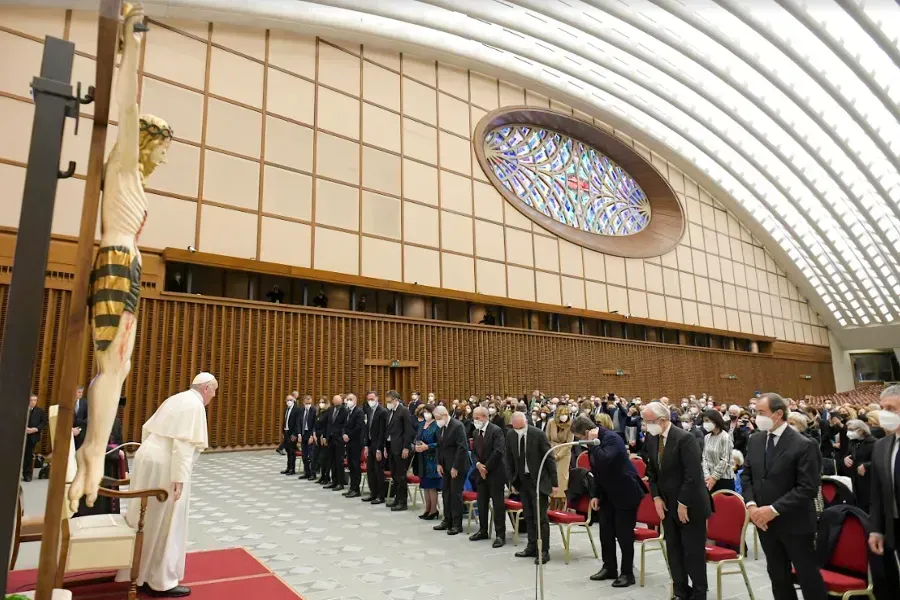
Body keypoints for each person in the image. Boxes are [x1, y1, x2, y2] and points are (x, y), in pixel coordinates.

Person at [118, 372, 217, 597]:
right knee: (168, 520)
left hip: (148, 458)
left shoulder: (176, 399)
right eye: (214, 391)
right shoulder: (195, 405)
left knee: (145, 517)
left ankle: (139, 573)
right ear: (206, 389)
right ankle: (161, 581)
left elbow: (147, 428)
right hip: (167, 465)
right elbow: (183, 444)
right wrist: (179, 478)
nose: (213, 396)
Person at [740, 393, 825, 600]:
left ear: (778, 414)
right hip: (764, 522)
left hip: (794, 522)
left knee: (807, 576)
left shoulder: (803, 444)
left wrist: (772, 509)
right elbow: (747, 475)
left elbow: (807, 488)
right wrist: (751, 506)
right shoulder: (756, 440)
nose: (756, 417)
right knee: (777, 575)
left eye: (761, 413)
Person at [642, 401, 710, 600]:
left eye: (649, 421)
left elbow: (693, 475)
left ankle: (699, 593)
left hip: (690, 505)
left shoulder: (684, 439)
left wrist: (683, 503)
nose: (646, 426)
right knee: (673, 550)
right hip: (666, 505)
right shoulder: (652, 438)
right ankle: (680, 590)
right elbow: (652, 472)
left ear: (662, 420)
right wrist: (655, 497)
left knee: (693, 552)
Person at [572, 415, 644, 588]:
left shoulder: (612, 438)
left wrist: (593, 443)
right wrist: (595, 495)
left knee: (624, 535)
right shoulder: (594, 444)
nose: (580, 442)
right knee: (606, 533)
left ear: (587, 432)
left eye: (580, 438)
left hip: (625, 492)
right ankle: (609, 567)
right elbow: (596, 471)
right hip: (607, 493)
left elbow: (604, 460)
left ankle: (627, 573)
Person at [505, 411, 558, 564]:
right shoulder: (510, 435)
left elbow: (549, 459)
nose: (518, 431)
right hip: (522, 481)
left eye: (520, 428)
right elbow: (509, 459)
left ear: (525, 423)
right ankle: (531, 546)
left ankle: (544, 550)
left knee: (540, 518)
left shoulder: (538, 434)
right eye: (515, 428)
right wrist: (512, 482)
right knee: (528, 516)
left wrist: (554, 483)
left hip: (539, 481)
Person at [867, 385, 900, 597]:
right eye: (883, 408)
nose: (885, 413)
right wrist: (876, 529)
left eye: (892, 408)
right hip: (894, 526)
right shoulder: (881, 446)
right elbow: (877, 493)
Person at [469, 406, 507, 547]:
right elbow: (473, 452)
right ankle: (483, 530)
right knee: (482, 502)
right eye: (474, 418)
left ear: (485, 417)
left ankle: (500, 535)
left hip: (495, 472)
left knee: (498, 505)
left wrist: (486, 468)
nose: (475, 420)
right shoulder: (475, 431)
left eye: (477, 418)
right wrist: (478, 465)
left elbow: (498, 451)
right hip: (480, 472)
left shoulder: (496, 431)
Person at [433, 406, 468, 535]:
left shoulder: (457, 426)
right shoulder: (441, 427)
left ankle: (457, 524)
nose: (437, 421)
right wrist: (438, 463)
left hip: (456, 466)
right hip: (444, 465)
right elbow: (439, 446)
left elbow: (462, 448)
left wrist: (455, 467)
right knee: (446, 493)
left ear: (445, 415)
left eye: (438, 418)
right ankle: (447, 520)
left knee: (455, 494)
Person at [385, 389, 415, 512]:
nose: (388, 403)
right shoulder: (390, 411)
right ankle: (397, 498)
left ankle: (403, 501)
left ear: (396, 400)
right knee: (394, 474)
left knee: (401, 476)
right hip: (391, 446)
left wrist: (406, 447)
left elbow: (409, 431)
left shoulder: (404, 411)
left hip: (401, 448)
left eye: (389, 401)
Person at [413, 404, 441, 520]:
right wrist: (416, 445)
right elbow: (416, 437)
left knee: (431, 486)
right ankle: (427, 508)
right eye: (424, 412)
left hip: (432, 459)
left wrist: (428, 447)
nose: (426, 414)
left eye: (428, 412)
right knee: (424, 485)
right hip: (421, 458)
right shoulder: (421, 424)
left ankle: (434, 510)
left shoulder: (437, 425)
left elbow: (440, 442)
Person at [546, 404, 574, 510]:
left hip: (564, 454)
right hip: (551, 451)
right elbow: (547, 439)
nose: (564, 416)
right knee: (551, 476)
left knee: (562, 478)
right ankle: (551, 503)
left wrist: (558, 455)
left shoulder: (571, 424)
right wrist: (551, 454)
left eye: (566, 414)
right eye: (562, 414)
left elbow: (569, 443)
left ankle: (561, 505)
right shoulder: (550, 422)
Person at [361, 391, 388, 504]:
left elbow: (382, 432)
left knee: (378, 471)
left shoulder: (382, 411)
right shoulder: (368, 410)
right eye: (369, 399)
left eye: (372, 398)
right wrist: (366, 445)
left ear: (377, 398)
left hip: (378, 445)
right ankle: (373, 493)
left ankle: (381, 496)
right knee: (370, 470)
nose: (370, 401)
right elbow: (367, 428)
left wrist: (379, 449)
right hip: (370, 443)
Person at [844, 419, 876, 512]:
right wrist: (845, 458)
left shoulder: (873, 443)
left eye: (851, 429)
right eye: (848, 429)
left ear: (861, 430)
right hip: (855, 478)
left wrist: (866, 465)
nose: (849, 432)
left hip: (868, 479)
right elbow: (848, 454)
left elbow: (879, 461)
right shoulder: (852, 441)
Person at [700, 409, 735, 492]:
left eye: (707, 421)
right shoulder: (707, 437)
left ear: (715, 420)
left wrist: (714, 477)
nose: (705, 424)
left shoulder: (725, 437)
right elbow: (704, 457)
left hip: (724, 479)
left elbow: (725, 460)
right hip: (709, 479)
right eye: (704, 421)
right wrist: (707, 475)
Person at [322, 395, 348, 491]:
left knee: (339, 461)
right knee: (332, 461)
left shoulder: (344, 410)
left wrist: (342, 435)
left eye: (338, 400)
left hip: (339, 439)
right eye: (335, 400)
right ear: (333, 401)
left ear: (341, 401)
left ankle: (340, 483)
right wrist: (325, 436)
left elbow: (345, 424)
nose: (336, 402)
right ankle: (334, 481)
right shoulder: (330, 409)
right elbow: (327, 423)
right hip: (330, 438)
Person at [342, 394, 365, 498]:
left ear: (355, 400)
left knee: (355, 466)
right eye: (348, 399)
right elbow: (344, 425)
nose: (349, 401)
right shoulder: (347, 411)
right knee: (350, 465)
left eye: (351, 399)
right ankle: (352, 488)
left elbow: (359, 427)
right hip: (349, 442)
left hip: (356, 442)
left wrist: (349, 435)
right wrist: (344, 434)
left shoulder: (359, 412)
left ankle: (356, 489)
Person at [23, 394, 46, 482]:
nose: (33, 402)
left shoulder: (40, 411)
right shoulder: (23, 409)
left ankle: (27, 475)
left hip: (32, 436)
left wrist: (35, 429)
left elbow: (43, 422)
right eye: (31, 400)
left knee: (29, 455)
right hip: (22, 436)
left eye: (35, 400)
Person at [298, 395, 317, 480]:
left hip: (310, 435)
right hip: (303, 434)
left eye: (309, 403)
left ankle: (313, 473)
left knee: (311, 455)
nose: (308, 404)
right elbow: (298, 423)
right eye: (306, 403)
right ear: (303, 402)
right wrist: (299, 434)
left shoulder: (314, 411)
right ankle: (307, 472)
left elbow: (314, 424)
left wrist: (312, 436)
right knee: (304, 455)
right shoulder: (301, 410)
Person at [280, 395, 300, 475]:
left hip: (293, 433)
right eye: (287, 400)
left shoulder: (297, 410)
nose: (289, 401)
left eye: (290, 400)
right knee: (288, 450)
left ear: (294, 400)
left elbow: (297, 423)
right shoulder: (286, 409)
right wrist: (283, 432)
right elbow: (284, 421)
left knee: (292, 451)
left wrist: (295, 434)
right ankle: (288, 467)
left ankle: (292, 469)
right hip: (286, 432)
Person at [314, 398, 330, 484]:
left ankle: (326, 477)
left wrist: (324, 436)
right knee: (320, 458)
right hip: (318, 437)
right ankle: (322, 476)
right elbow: (315, 425)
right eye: (319, 402)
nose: (321, 404)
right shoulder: (319, 413)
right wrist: (315, 435)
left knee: (324, 458)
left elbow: (327, 426)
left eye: (323, 402)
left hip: (324, 438)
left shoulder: (327, 413)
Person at [72, 385, 88, 450]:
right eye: (79, 392)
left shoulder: (85, 402)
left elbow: (88, 418)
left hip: (81, 432)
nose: (81, 394)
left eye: (82, 392)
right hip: (70, 432)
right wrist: (71, 429)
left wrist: (79, 429)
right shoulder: (68, 402)